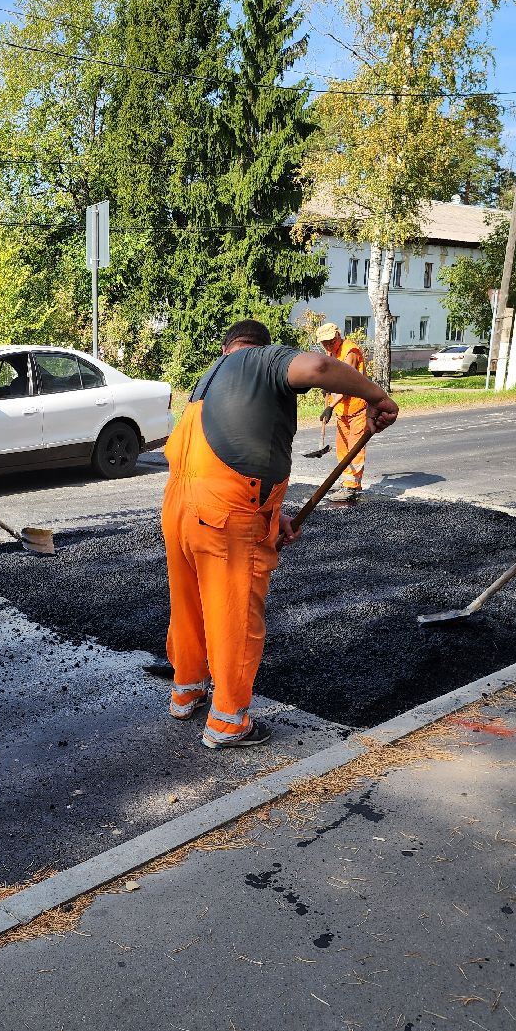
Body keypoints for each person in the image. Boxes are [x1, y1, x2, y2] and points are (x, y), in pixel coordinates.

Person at [162, 319, 399, 748]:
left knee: (190, 606)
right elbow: (320, 370)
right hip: (226, 519)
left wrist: (274, 519)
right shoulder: (261, 360)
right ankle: (228, 722)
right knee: (232, 613)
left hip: (182, 510)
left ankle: (187, 692)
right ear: (257, 347)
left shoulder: (209, 379)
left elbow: (231, 456)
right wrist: (376, 395)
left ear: (225, 347)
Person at [314, 323, 368, 502]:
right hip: (342, 409)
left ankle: (352, 487)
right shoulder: (332, 352)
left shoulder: (350, 351)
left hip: (356, 406)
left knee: (354, 447)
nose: (328, 346)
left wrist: (329, 406)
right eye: (325, 343)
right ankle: (345, 478)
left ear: (337, 335)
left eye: (331, 341)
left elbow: (347, 382)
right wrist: (326, 386)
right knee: (342, 446)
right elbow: (333, 379)